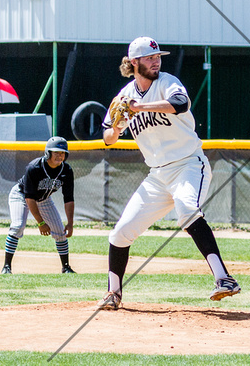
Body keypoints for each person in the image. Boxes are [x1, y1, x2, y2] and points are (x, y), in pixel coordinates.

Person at [97, 36, 240, 310]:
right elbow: (107, 138)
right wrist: (117, 127)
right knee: (120, 233)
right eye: (150, 58)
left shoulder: (167, 82)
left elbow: (180, 104)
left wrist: (139, 108)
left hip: (188, 164)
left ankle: (224, 279)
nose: (156, 61)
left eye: (157, 56)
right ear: (134, 62)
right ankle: (112, 294)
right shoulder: (124, 97)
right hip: (157, 176)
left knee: (187, 208)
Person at [1, 136, 77, 274]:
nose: (60, 156)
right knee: (18, 226)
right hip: (21, 195)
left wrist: (70, 223)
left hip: (43, 199)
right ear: (48, 153)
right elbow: (29, 197)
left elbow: (69, 198)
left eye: (62, 153)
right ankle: (6, 267)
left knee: (60, 231)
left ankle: (66, 267)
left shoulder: (66, 171)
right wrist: (41, 223)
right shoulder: (34, 167)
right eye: (56, 152)